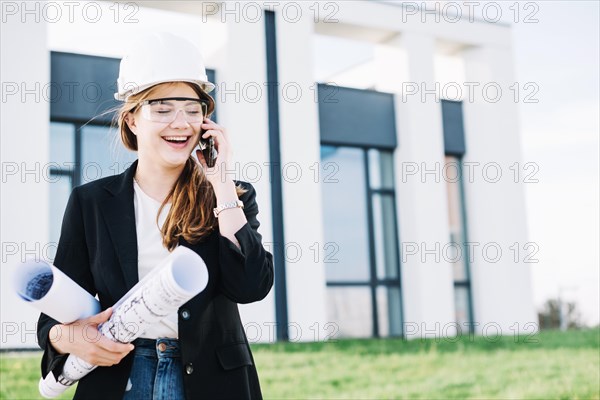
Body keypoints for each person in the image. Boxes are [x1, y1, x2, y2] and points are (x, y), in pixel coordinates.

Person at [36, 32, 274, 400]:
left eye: (193, 110)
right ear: (132, 120)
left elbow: (251, 285)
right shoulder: (92, 202)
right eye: (163, 110)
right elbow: (55, 314)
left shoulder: (232, 194)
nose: (181, 123)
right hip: (122, 373)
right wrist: (67, 336)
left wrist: (221, 182)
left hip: (212, 379)